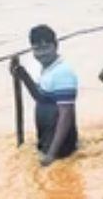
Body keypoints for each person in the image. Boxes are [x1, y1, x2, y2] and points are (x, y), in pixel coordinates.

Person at [9, 25, 78, 166]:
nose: (42, 53)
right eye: (37, 49)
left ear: (56, 46)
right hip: (47, 141)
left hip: (60, 149)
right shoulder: (46, 70)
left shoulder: (63, 73)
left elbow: (66, 115)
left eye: (46, 48)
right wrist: (21, 74)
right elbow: (40, 98)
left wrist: (51, 155)